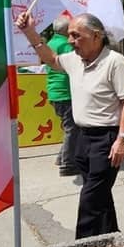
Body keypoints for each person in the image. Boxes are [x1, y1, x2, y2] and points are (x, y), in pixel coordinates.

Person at [18, 11, 124, 239]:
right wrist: (30, 32)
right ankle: (110, 236)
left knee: (90, 199)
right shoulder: (73, 59)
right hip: (82, 138)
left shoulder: (115, 62)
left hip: (106, 139)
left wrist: (123, 138)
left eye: (76, 35)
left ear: (96, 36)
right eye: (70, 35)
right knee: (99, 194)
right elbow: (51, 59)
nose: (70, 41)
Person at [46, 16, 78, 177]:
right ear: (66, 30)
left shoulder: (51, 43)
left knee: (70, 128)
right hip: (66, 92)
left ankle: (62, 157)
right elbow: (75, 64)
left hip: (54, 92)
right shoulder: (66, 45)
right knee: (72, 129)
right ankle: (68, 164)